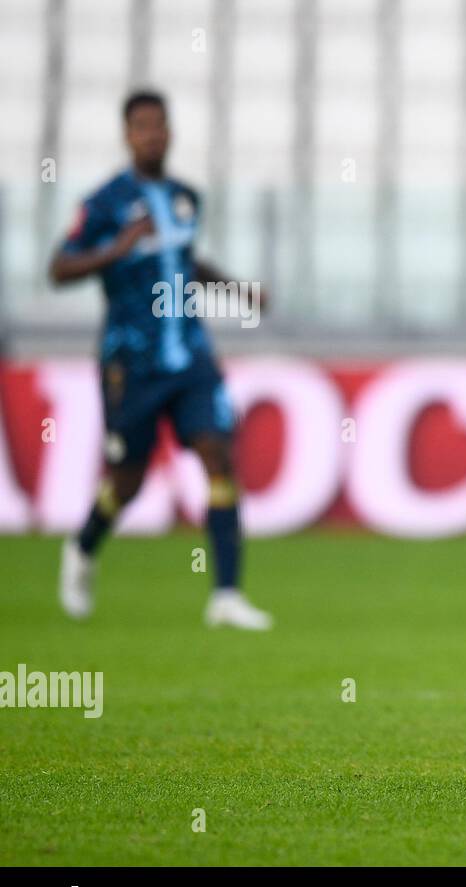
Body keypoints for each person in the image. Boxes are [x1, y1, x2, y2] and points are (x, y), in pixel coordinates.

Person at [50, 90, 271, 630]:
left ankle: (226, 594)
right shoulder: (105, 203)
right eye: (142, 126)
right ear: (127, 135)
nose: (153, 134)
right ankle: (82, 549)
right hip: (132, 361)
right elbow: (60, 268)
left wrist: (239, 290)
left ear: (170, 131)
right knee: (127, 481)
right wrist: (116, 249)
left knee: (218, 455)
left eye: (160, 124)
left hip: (190, 352)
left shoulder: (184, 198)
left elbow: (186, 263)